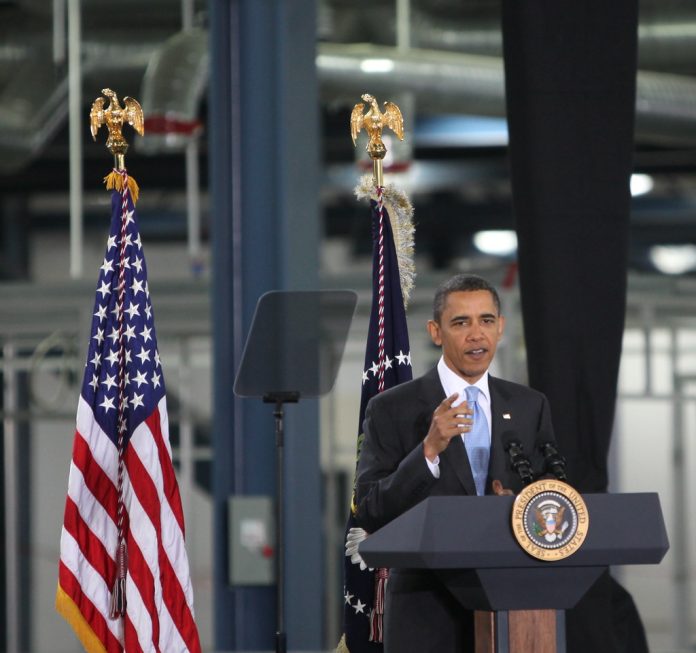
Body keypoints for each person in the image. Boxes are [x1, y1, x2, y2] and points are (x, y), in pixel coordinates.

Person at [354, 273, 556, 652]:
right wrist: (428, 450)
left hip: (513, 602)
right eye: (461, 323)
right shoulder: (393, 409)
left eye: (486, 321)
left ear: (501, 328)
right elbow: (369, 510)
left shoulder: (530, 406)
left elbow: (551, 493)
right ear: (436, 331)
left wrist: (518, 505)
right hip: (426, 607)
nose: (476, 334)